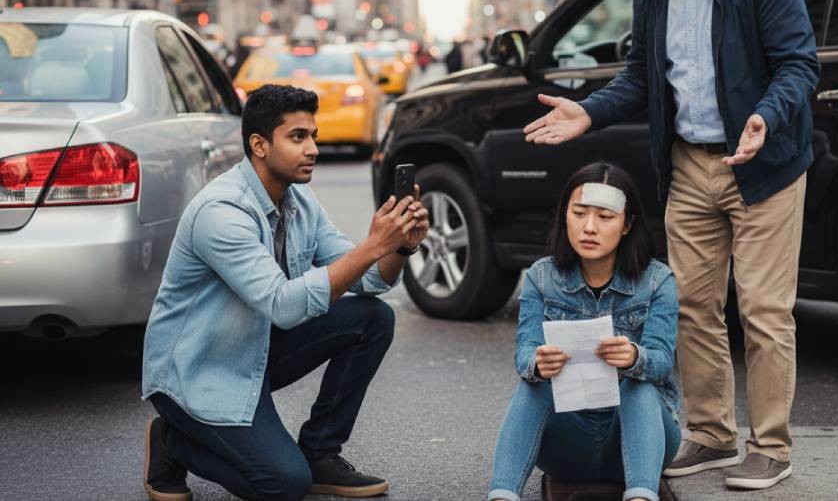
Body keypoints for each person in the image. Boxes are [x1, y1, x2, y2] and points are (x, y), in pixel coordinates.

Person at [523, 0, 819, 491]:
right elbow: (638, 77)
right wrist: (588, 111)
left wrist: (766, 116)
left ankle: (771, 446)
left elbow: (798, 64)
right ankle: (711, 435)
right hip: (688, 165)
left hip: (762, 166)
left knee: (764, 311)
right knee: (690, 307)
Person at [141, 84, 429, 501]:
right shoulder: (221, 212)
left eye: (313, 135)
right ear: (259, 144)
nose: (312, 148)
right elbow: (283, 305)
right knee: (283, 483)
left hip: (253, 349)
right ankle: (173, 440)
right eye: (298, 137)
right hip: (197, 373)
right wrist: (373, 246)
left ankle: (320, 454)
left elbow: (366, 279)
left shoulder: (300, 202)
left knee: (373, 318)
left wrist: (399, 246)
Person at [489, 162, 681, 501]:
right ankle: (501, 494)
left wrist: (636, 357)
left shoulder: (657, 280)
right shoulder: (540, 276)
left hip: (640, 441)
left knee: (640, 387)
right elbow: (524, 350)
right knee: (533, 385)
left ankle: (641, 495)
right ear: (565, 216)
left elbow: (663, 361)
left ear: (627, 224)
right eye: (579, 213)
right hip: (567, 444)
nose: (589, 227)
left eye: (605, 217)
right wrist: (537, 362)